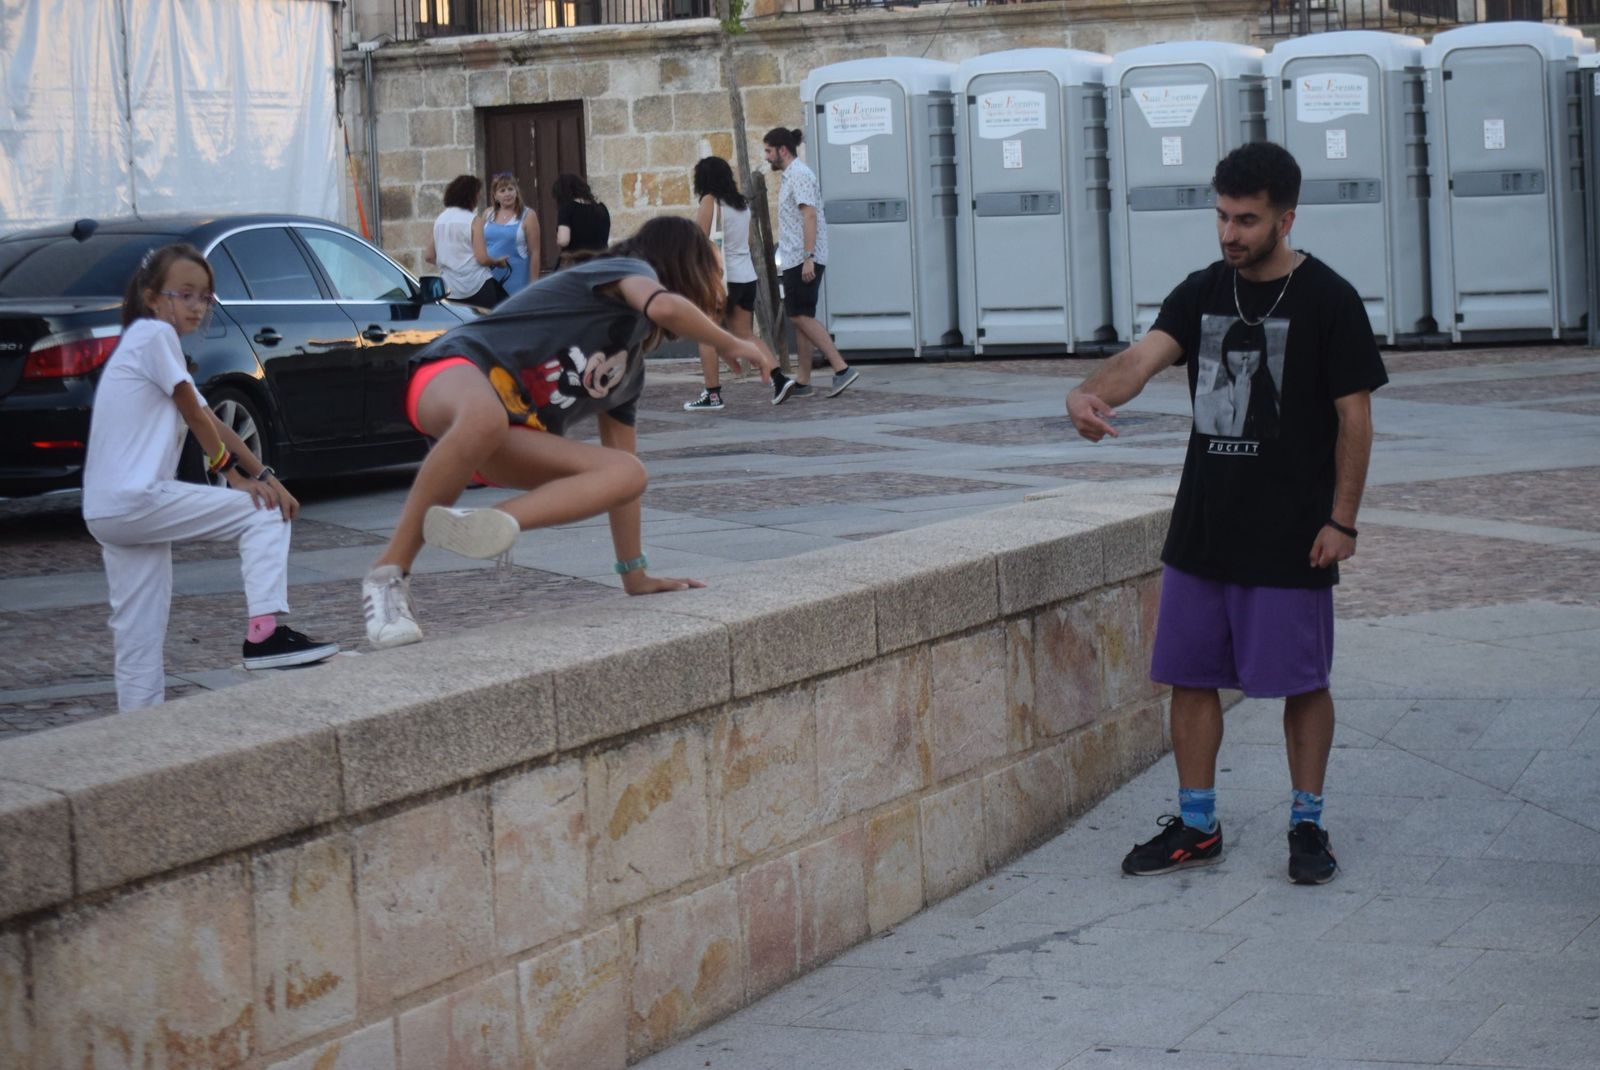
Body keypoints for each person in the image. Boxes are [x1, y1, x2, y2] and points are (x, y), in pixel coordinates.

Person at [1065, 142, 1387, 886]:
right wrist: (1090, 394)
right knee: (1191, 676)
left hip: (1293, 534)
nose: (1229, 234)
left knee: (1302, 682)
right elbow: (1141, 360)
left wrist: (1342, 522)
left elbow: (1355, 418)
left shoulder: (1329, 300)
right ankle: (1197, 825)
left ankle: (1307, 825)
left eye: (1247, 219)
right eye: (1222, 217)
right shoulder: (1204, 290)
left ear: (1286, 218)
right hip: (1204, 529)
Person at [361, 217, 770, 649]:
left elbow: (622, 488)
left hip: (503, 441)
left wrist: (635, 574)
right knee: (485, 418)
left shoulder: (627, 373)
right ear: (683, 267)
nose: (714, 287)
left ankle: (491, 523)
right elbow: (664, 307)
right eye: (712, 272)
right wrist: (729, 342)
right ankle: (388, 573)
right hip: (449, 375)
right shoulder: (623, 271)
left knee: (628, 474)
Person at [82, 244, 339, 711]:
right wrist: (236, 480)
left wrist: (265, 474)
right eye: (186, 295)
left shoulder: (146, 346)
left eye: (206, 297)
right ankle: (265, 636)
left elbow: (212, 420)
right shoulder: (153, 337)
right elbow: (196, 417)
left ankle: (136, 743)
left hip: (107, 511)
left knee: (138, 634)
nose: (198, 306)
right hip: (137, 499)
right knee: (262, 515)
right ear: (153, 297)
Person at [683, 156, 796, 411]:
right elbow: (749, 242)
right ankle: (779, 378)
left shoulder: (710, 201)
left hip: (720, 279)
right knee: (745, 334)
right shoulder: (742, 204)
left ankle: (712, 394)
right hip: (746, 277)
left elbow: (697, 241)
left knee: (705, 334)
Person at [762, 126, 859, 399]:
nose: (767, 157)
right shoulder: (791, 176)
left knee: (800, 316)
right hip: (796, 257)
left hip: (802, 258)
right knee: (801, 317)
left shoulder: (800, 176)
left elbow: (810, 217)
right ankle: (803, 381)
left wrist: (808, 257)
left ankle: (841, 369)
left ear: (783, 150)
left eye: (769, 151)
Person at [427, 174, 506, 309]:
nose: (479, 198)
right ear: (470, 196)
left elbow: (429, 256)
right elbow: (482, 258)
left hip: (451, 288)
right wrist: (498, 261)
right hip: (478, 285)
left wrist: (451, 264)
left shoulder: (440, 220)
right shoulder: (474, 220)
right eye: (477, 194)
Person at [482, 172, 541, 295]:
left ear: (516, 191)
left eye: (510, 189)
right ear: (495, 195)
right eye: (502, 190)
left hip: (517, 279)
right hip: (489, 278)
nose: (507, 194)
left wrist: (533, 285)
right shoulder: (488, 214)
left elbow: (534, 252)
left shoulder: (528, 215)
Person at [553, 174, 611, 263]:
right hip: (602, 261)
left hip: (578, 264)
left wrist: (558, 238)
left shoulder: (567, 209)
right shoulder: (601, 208)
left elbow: (563, 240)